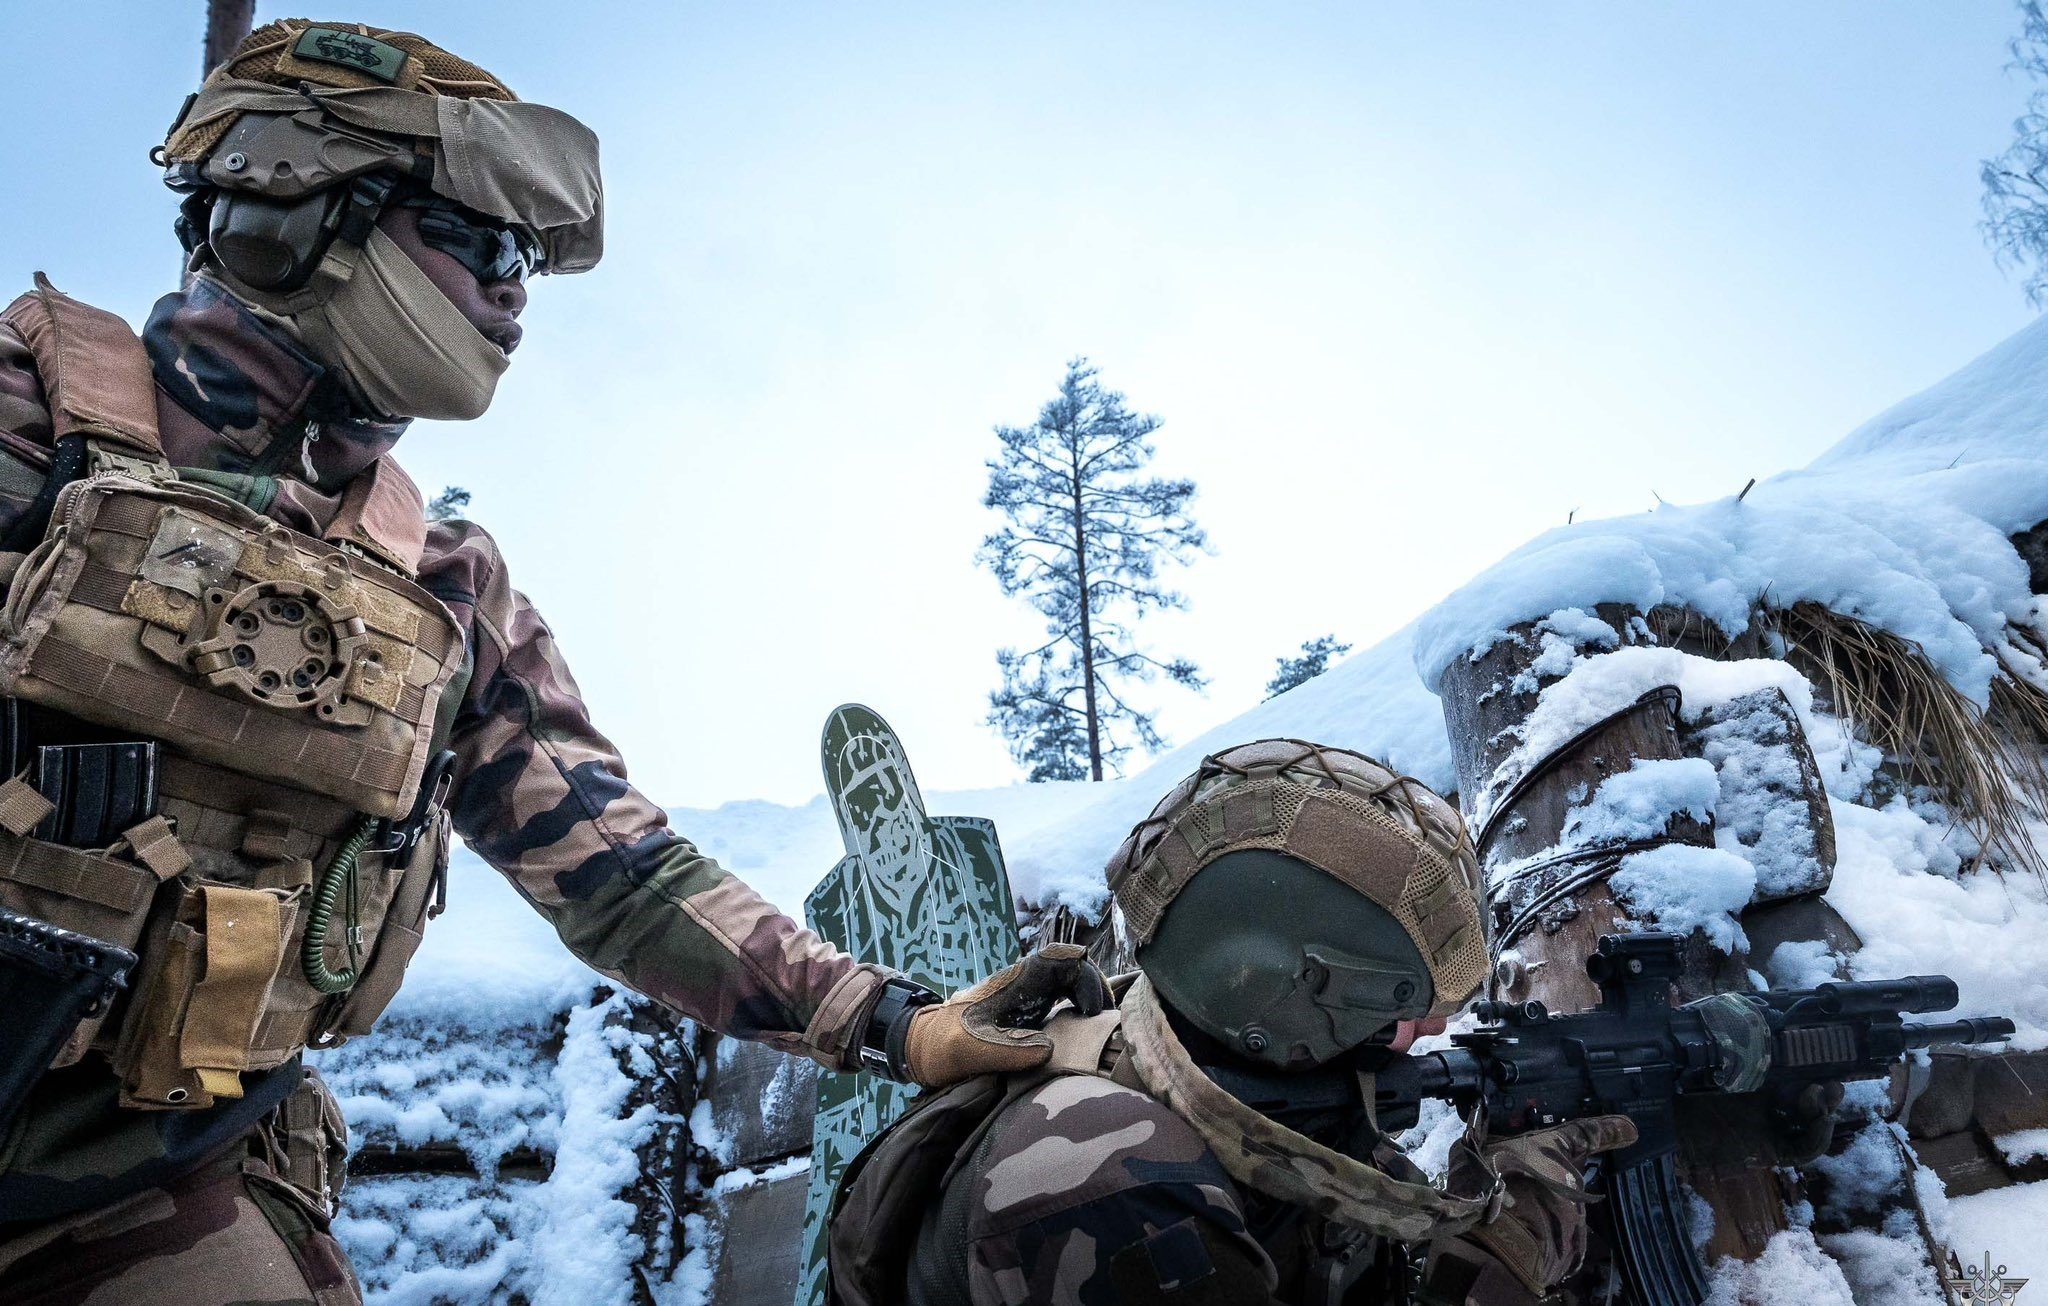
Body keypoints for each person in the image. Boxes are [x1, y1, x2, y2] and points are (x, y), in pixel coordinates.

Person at [0, 20, 1092, 1304]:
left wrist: (894, 1019)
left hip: (128, 1192)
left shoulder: (437, 588)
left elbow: (623, 874)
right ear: (295, 215)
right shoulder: (24, 431)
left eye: (525, 260)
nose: (513, 293)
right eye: (482, 245)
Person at [829, 739, 1637, 1306]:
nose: (1429, 1033)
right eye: (1398, 1009)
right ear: (1287, 1003)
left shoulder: (1243, 1099)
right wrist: (1514, 1246)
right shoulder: (1102, 1174)